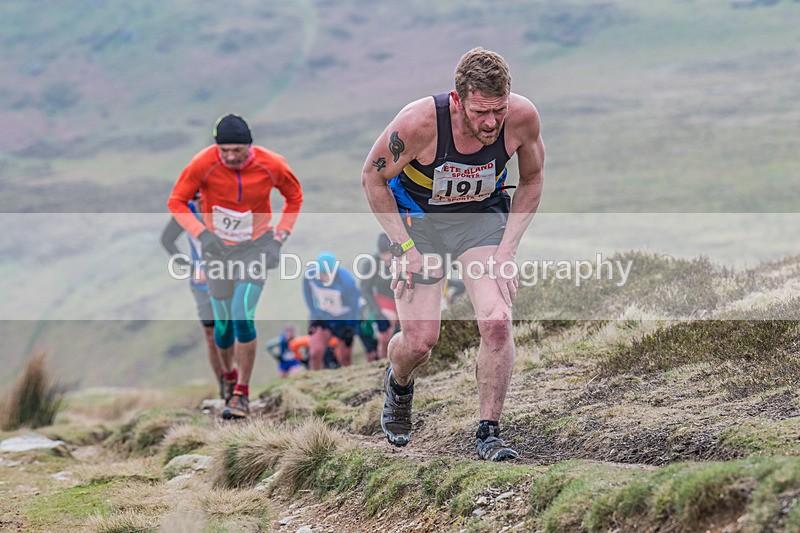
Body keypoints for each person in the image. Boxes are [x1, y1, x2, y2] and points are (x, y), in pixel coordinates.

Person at [361, 48, 545, 461]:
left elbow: (532, 180)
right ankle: (400, 381)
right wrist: (403, 248)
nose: (491, 122)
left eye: (498, 110)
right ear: (457, 99)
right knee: (421, 341)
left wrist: (508, 250)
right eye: (481, 111)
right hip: (419, 224)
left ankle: (489, 432)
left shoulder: (521, 117)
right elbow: (372, 179)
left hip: (479, 218)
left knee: (496, 321)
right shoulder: (418, 122)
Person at [168, 113, 303, 419]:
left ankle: (241, 392)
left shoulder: (272, 164)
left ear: (249, 147)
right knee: (224, 326)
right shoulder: (203, 163)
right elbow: (176, 202)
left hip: (255, 247)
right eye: (224, 151)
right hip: (216, 251)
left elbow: (294, 197)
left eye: (237, 151)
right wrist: (201, 233)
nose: (230, 157)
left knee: (243, 316)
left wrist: (278, 238)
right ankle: (228, 377)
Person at [160, 192, 235, 400]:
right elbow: (167, 240)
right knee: (211, 336)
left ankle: (236, 379)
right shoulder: (188, 212)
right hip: (202, 284)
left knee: (231, 331)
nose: (201, 202)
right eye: (196, 199)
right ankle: (224, 383)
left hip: (228, 279)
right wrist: (190, 267)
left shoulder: (223, 209)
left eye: (204, 197)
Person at [302, 251, 362, 370]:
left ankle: (346, 382)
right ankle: (315, 382)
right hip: (323, 318)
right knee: (315, 353)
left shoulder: (347, 282)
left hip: (343, 320)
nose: (324, 277)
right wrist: (314, 314)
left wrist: (351, 327)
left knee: (344, 358)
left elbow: (355, 306)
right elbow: (307, 294)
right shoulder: (310, 276)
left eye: (328, 274)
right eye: (322, 274)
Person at [359, 233, 399, 360]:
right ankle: (383, 363)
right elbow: (365, 289)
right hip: (384, 300)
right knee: (385, 335)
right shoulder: (371, 263)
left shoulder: (402, 257)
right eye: (383, 255)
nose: (387, 258)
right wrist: (377, 314)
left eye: (389, 254)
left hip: (402, 297)